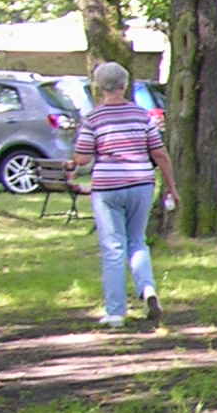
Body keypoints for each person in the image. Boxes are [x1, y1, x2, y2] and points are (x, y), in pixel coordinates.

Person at [69, 62, 177, 329]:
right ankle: (147, 289)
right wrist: (172, 187)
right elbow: (159, 153)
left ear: (98, 86)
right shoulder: (142, 116)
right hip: (141, 183)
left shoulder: (94, 118)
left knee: (113, 247)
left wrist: (74, 162)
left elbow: (82, 158)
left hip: (107, 187)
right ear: (125, 84)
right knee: (137, 241)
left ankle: (116, 312)